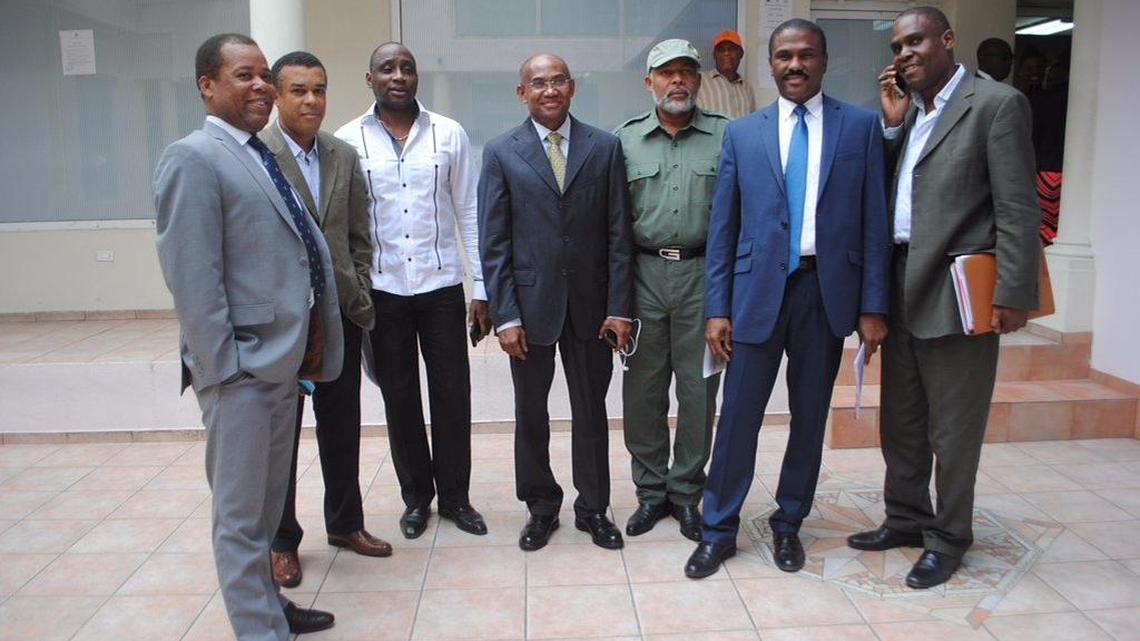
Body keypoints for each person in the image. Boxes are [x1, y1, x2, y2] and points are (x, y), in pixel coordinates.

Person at [684, 18, 890, 580]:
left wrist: (874, 305)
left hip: (825, 294)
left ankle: (789, 523)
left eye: (805, 55)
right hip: (754, 295)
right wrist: (717, 308)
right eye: (783, 57)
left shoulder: (861, 128)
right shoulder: (743, 133)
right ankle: (718, 529)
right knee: (738, 419)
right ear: (769, 64)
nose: (794, 65)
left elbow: (874, 222)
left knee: (807, 418)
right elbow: (722, 229)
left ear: (823, 61)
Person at [153, 33, 341, 639]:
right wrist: (224, 369)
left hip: (281, 366)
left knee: (264, 510)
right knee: (239, 517)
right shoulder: (193, 157)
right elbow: (193, 277)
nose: (261, 85)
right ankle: (259, 631)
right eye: (243, 75)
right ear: (207, 86)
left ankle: (270, 609)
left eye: (264, 75)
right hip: (242, 371)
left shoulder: (258, 154)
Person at [847, 6, 1039, 589]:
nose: (903, 54)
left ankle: (950, 537)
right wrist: (890, 125)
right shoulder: (910, 113)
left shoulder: (996, 104)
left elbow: (1017, 206)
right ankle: (905, 517)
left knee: (952, 428)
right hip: (902, 281)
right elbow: (891, 192)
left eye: (915, 43)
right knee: (902, 420)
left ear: (948, 40)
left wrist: (1013, 293)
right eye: (897, 47)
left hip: (960, 290)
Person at [478, 53, 634, 552]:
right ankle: (541, 507)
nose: (549, 90)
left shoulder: (605, 147)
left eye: (558, 81)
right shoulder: (501, 152)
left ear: (572, 88)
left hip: (592, 310)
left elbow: (618, 235)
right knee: (532, 413)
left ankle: (593, 509)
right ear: (522, 93)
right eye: (538, 82)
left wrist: (619, 307)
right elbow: (494, 242)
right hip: (529, 308)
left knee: (592, 412)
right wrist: (505, 316)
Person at [335, 42, 489, 540]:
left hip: (442, 287)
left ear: (416, 76)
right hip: (382, 293)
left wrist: (480, 288)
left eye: (407, 68)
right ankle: (416, 499)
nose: (398, 76)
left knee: (452, 394)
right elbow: (345, 223)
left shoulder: (449, 134)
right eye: (387, 68)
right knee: (399, 398)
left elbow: (469, 211)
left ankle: (457, 498)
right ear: (370, 79)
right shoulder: (346, 141)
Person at [259, 51, 392, 590]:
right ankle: (281, 541)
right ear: (275, 95)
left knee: (342, 430)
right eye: (298, 90)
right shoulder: (257, 153)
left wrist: (357, 287)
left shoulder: (342, 153)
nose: (311, 99)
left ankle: (345, 525)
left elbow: (360, 232)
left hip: (339, 315)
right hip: (283, 323)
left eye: (319, 88)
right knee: (281, 439)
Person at [614, 40, 728, 542]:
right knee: (642, 391)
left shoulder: (728, 138)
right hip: (643, 278)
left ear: (698, 80)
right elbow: (613, 228)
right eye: (666, 73)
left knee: (698, 391)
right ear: (649, 82)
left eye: (686, 71)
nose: (677, 81)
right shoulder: (624, 141)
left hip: (703, 277)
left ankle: (686, 493)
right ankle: (650, 491)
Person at [697, 29, 758, 120]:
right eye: (721, 50)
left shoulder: (747, 88)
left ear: (740, 54)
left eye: (731, 49)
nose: (726, 53)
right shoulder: (700, 81)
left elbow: (751, 121)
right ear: (714, 55)